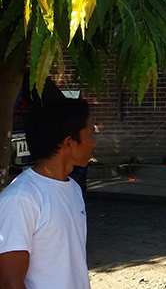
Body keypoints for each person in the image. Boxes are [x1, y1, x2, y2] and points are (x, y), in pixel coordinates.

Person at [0, 97, 95, 289]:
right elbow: (10, 282)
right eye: (90, 135)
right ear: (69, 143)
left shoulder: (74, 189)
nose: (93, 143)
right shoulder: (21, 198)